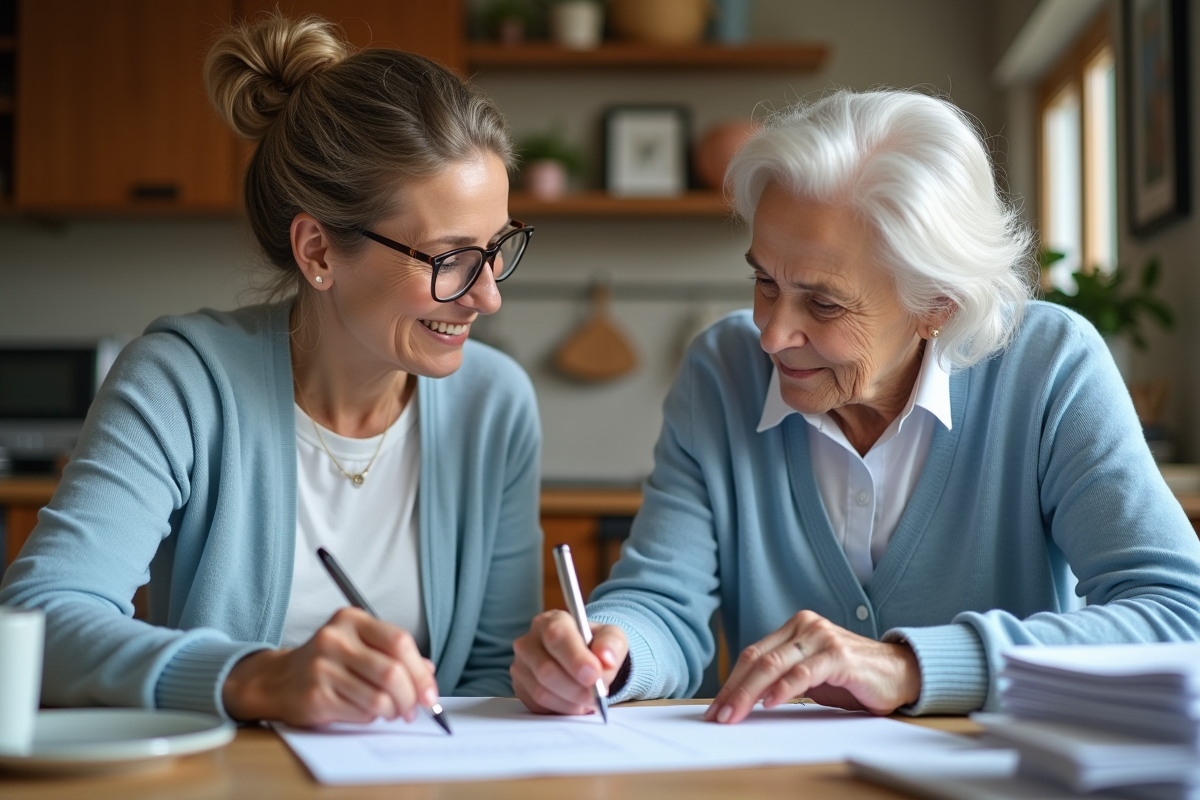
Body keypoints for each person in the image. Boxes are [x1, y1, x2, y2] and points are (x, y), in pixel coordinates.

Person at [510, 89, 1200, 722]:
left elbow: (1179, 617)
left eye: (824, 302)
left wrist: (911, 666)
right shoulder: (721, 369)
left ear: (937, 304)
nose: (773, 334)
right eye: (764, 282)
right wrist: (608, 653)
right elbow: (663, 598)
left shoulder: (1050, 368)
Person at [0, 13, 542, 727]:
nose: (488, 294)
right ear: (317, 251)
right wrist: (256, 679)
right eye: (450, 259)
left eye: (497, 247)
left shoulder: (494, 403)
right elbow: (39, 619)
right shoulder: (180, 384)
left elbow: (488, 673)